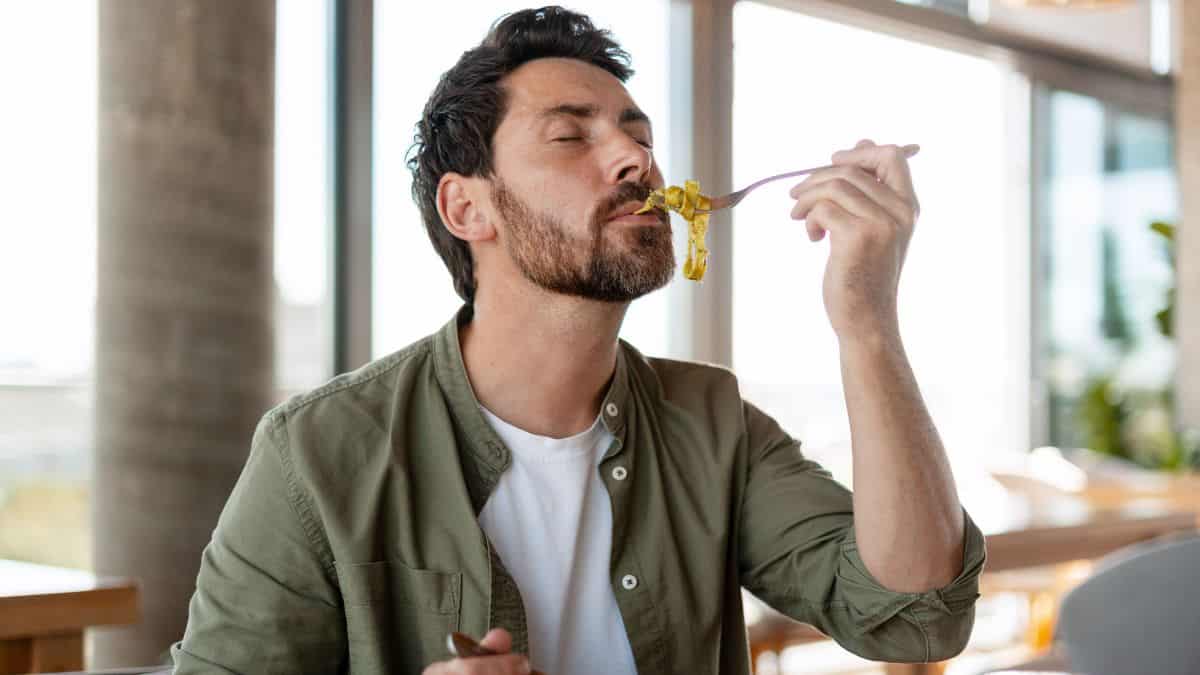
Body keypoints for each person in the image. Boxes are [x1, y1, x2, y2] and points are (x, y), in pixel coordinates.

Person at [171, 6, 985, 674]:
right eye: (571, 135)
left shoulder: (714, 425)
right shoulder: (316, 454)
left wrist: (867, 320)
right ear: (466, 208)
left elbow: (913, 615)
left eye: (640, 135)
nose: (636, 158)